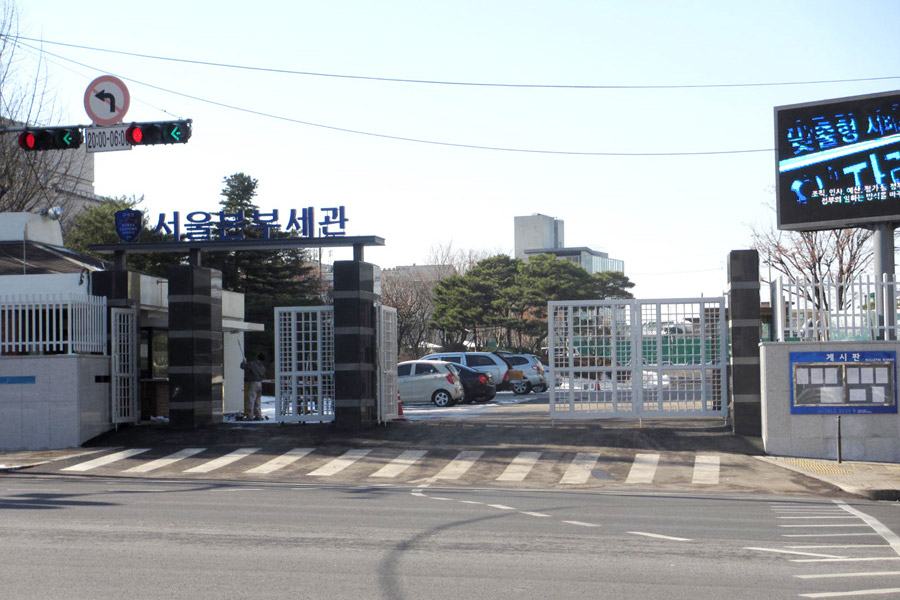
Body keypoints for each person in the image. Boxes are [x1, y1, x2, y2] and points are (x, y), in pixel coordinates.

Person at [240, 352, 267, 420]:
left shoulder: (252, 364)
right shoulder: (263, 367)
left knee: (251, 400)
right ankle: (258, 415)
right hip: (260, 384)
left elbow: (243, 367)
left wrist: (244, 361)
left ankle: (250, 416)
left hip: (253, 384)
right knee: (258, 400)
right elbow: (263, 375)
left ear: (257, 357)